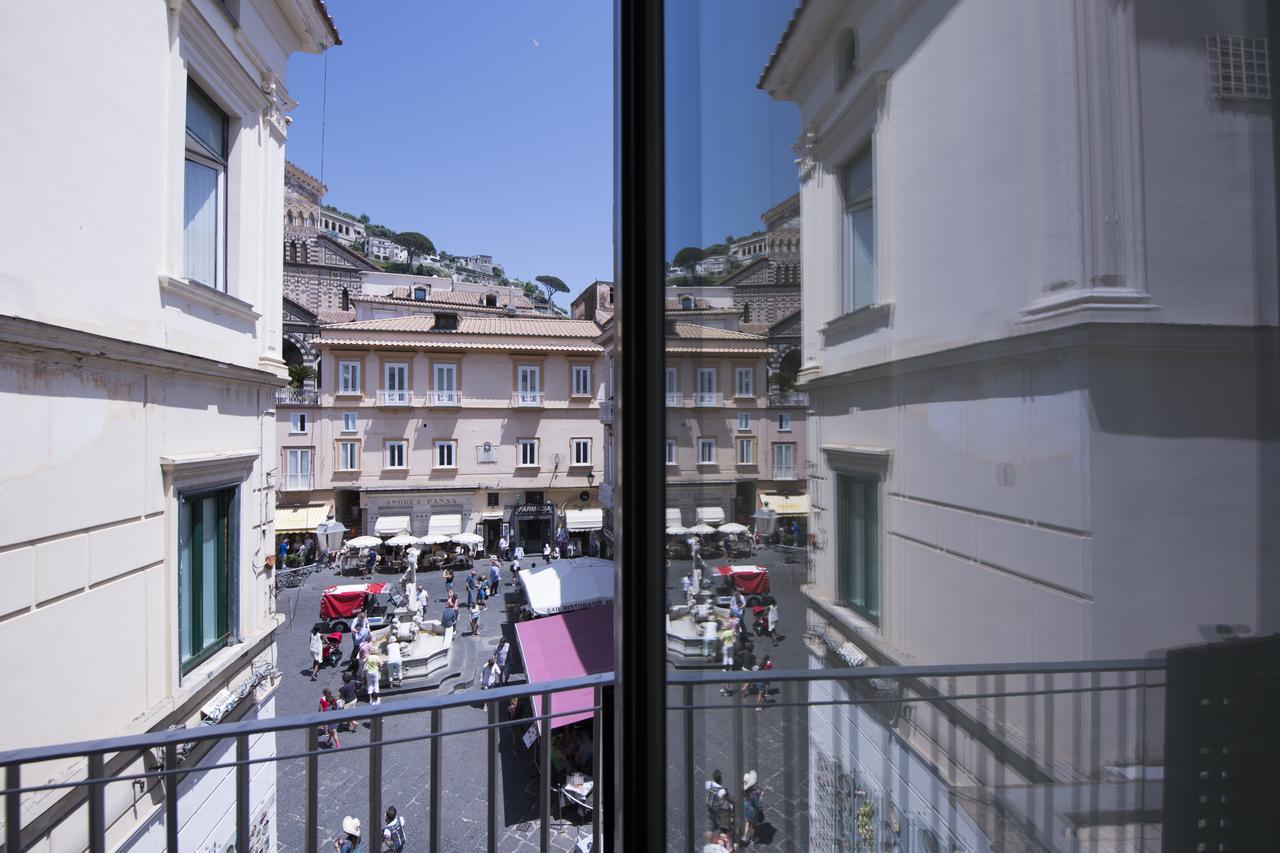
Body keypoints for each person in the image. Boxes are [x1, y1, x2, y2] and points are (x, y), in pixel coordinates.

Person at [741, 771, 765, 846]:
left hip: (746, 806)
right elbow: (758, 804)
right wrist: (761, 796)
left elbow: (750, 794)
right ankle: (752, 839)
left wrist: (757, 792)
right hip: (752, 810)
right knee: (753, 826)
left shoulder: (745, 789)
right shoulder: (753, 793)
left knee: (748, 822)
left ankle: (744, 837)